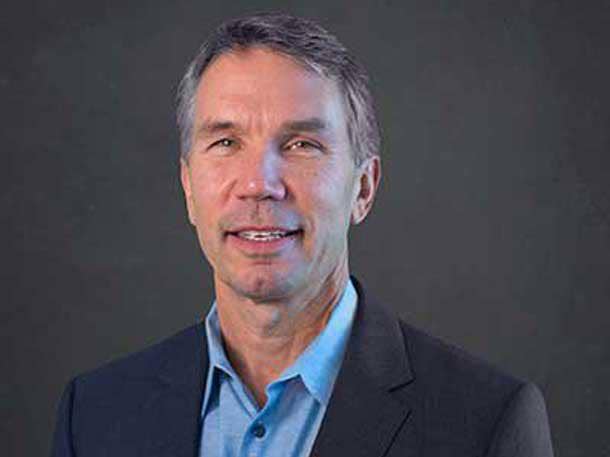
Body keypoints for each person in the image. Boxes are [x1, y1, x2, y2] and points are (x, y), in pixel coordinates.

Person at [51, 12, 554, 457]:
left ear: (363, 188)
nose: (258, 184)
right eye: (225, 142)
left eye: (301, 144)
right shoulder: (95, 416)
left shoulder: (484, 425)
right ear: (188, 187)